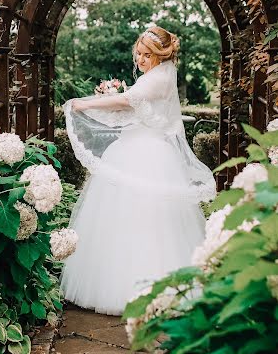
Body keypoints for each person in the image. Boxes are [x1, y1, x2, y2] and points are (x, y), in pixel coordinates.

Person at [60, 25, 216, 315]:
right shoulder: (155, 76)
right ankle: (118, 281)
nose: (140, 60)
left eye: (147, 55)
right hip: (133, 147)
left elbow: (126, 101)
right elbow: (131, 108)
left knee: (149, 220)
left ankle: (147, 288)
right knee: (120, 217)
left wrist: (84, 103)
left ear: (160, 55)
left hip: (148, 154)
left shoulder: (160, 78)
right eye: (139, 54)